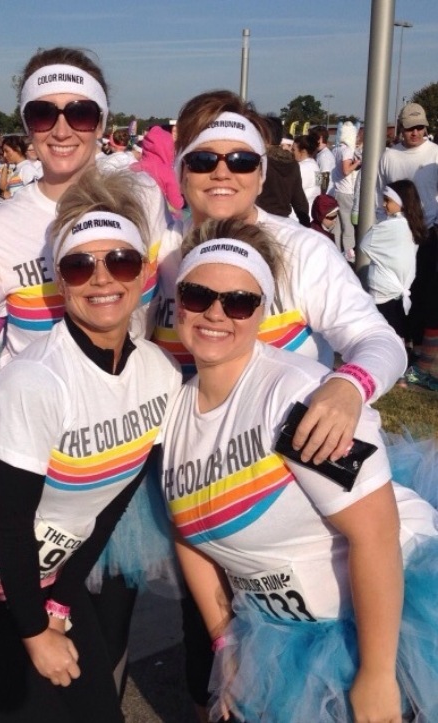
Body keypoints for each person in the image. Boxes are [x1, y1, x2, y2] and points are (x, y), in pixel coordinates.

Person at [151, 89, 407, 720]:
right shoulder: (164, 257)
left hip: (296, 496)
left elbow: (379, 340)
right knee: (212, 673)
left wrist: (347, 386)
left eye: (240, 160)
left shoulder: (302, 251)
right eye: (203, 159)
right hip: (200, 491)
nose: (221, 173)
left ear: (262, 172)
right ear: (180, 169)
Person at [0, 167, 182, 722]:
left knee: (101, 713)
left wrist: (57, 599)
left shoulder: (159, 374)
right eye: (80, 264)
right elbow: (9, 524)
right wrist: (37, 632)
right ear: (59, 279)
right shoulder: (36, 380)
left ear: (146, 272)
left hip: (46, 576)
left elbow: (109, 506)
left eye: (121, 261)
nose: (102, 279)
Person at [161, 218, 438, 723]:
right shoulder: (174, 411)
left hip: (377, 626)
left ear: (261, 312)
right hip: (278, 634)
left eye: (239, 301)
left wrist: (376, 677)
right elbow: (189, 537)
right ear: (177, 301)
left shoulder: (293, 395)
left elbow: (375, 532)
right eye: (198, 295)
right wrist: (226, 645)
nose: (216, 314)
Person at [376, 102, 438, 390]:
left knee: (424, 293)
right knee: (397, 294)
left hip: (427, 234)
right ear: (400, 129)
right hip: (398, 236)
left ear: (426, 128)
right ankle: (400, 348)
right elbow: (378, 193)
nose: (415, 133)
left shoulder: (434, 153)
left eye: (419, 127)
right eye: (409, 128)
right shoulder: (389, 156)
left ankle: (419, 354)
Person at [358, 180, 426, 356]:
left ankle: (390, 367)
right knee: (398, 329)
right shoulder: (412, 225)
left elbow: (365, 244)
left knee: (385, 332)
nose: (383, 204)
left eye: (387, 200)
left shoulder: (390, 226)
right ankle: (400, 369)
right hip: (400, 287)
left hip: (384, 288)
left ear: (401, 202)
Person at [256, 115, 309, 227]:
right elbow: (299, 200)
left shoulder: (261, 161)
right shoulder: (293, 163)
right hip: (282, 221)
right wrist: (306, 224)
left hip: (260, 221)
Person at [130, 124, 185, 221]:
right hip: (161, 221)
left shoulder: (133, 167)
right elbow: (177, 203)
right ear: (168, 148)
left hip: (136, 218)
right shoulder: (167, 172)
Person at [331, 121, 362, 261]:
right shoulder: (347, 150)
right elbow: (345, 170)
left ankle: (337, 250)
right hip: (347, 191)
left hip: (337, 190)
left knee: (337, 225)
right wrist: (356, 163)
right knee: (348, 225)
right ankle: (349, 254)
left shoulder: (337, 149)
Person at [0, 134, 38, 199]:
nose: (4, 155)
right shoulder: (16, 169)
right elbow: (2, 190)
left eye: (7, 151)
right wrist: (5, 165)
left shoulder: (27, 168)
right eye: (3, 152)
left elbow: (34, 194)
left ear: (17, 149)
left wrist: (11, 196)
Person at [292, 133, 320, 212]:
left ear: (303, 151)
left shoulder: (300, 167)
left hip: (299, 213)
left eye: (294, 150)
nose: (292, 152)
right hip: (313, 211)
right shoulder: (316, 166)